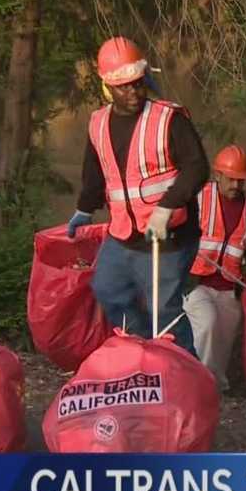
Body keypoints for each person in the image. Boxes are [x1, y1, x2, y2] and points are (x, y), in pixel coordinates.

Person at [67, 36, 206, 355]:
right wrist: (85, 209)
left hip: (168, 236)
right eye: (123, 87)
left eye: (137, 83)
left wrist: (166, 207)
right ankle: (145, 354)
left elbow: (197, 168)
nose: (133, 92)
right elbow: (95, 171)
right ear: (107, 88)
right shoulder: (98, 124)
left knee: (165, 314)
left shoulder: (168, 119)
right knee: (108, 289)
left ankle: (186, 377)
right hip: (123, 235)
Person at [182, 144, 246, 392]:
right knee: (207, 325)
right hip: (197, 283)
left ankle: (216, 387)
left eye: (241, 180)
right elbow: (179, 231)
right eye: (231, 179)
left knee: (223, 342)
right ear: (218, 175)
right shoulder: (198, 198)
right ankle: (198, 386)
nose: (236, 185)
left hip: (230, 288)